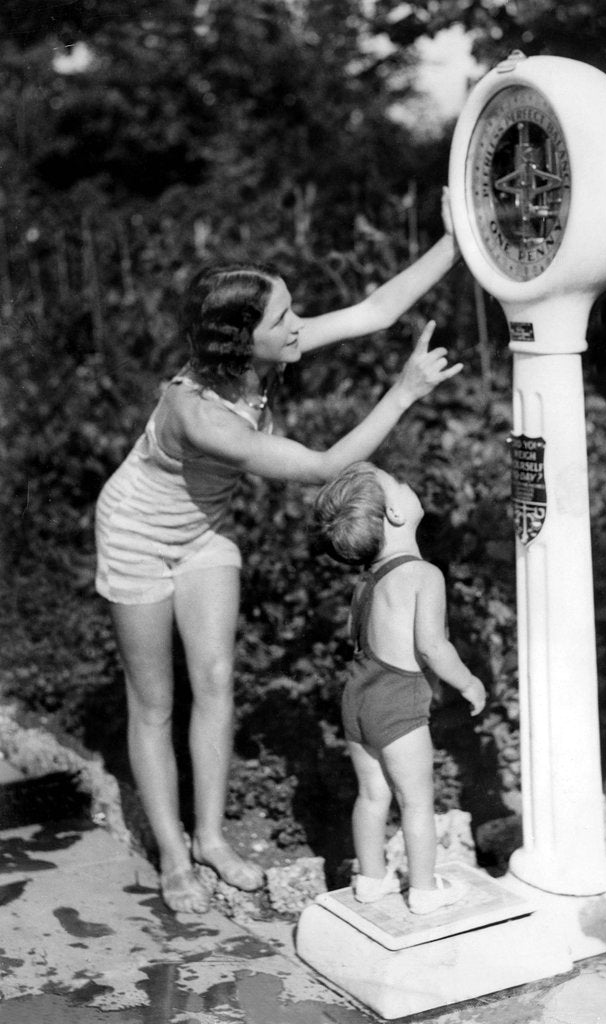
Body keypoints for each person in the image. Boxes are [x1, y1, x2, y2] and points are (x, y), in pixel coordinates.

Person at [95, 197, 461, 914]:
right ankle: (173, 856)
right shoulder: (196, 414)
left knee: (216, 678)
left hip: (200, 534)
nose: (297, 326)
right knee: (154, 702)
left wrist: (458, 240)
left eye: (292, 312)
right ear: (241, 340)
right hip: (136, 535)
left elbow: (376, 312)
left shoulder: (266, 354)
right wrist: (403, 392)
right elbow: (325, 467)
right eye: (282, 319)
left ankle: (209, 838)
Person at [312, 461, 487, 914]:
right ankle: (426, 891)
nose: (409, 486)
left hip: (358, 698)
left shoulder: (366, 581)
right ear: (394, 514)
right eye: (400, 485)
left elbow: (362, 638)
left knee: (372, 795)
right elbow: (431, 646)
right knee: (417, 802)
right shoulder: (423, 575)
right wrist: (467, 682)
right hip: (398, 702)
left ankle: (371, 880)